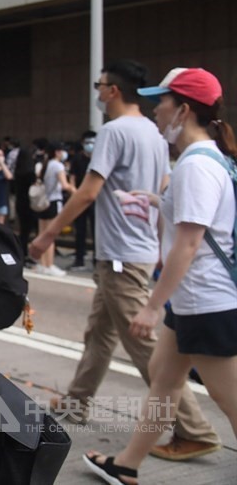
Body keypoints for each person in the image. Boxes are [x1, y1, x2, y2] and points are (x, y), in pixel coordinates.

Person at [30, 60, 220, 458]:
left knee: (146, 347)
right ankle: (77, 401)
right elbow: (163, 188)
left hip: (119, 254)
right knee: (99, 333)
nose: (97, 91)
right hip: (134, 251)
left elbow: (87, 192)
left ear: (112, 90)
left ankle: (194, 428)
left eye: (99, 85)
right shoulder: (154, 133)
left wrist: (47, 233)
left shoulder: (114, 132)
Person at [83, 67, 236, 483]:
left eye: (162, 102)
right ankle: (128, 466)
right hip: (191, 302)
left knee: (230, 399)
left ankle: (129, 465)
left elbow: (188, 245)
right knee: (164, 387)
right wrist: (155, 200)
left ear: (183, 110)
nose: (156, 110)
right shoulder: (202, 159)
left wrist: (151, 307)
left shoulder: (196, 165)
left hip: (206, 303)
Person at [34, 142, 76, 276]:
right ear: (57, 152)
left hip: (42, 202)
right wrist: (76, 191)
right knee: (50, 235)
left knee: (42, 233)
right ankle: (49, 264)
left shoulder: (45, 164)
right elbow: (64, 185)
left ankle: (42, 263)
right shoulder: (58, 165)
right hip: (53, 202)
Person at [69, 131, 97, 271]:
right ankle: (79, 259)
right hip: (80, 199)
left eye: (92, 142)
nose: (90, 145)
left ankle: (97, 260)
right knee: (80, 230)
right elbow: (72, 178)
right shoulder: (77, 159)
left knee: (96, 230)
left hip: (96, 199)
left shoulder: (99, 159)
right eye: (87, 142)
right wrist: (75, 192)